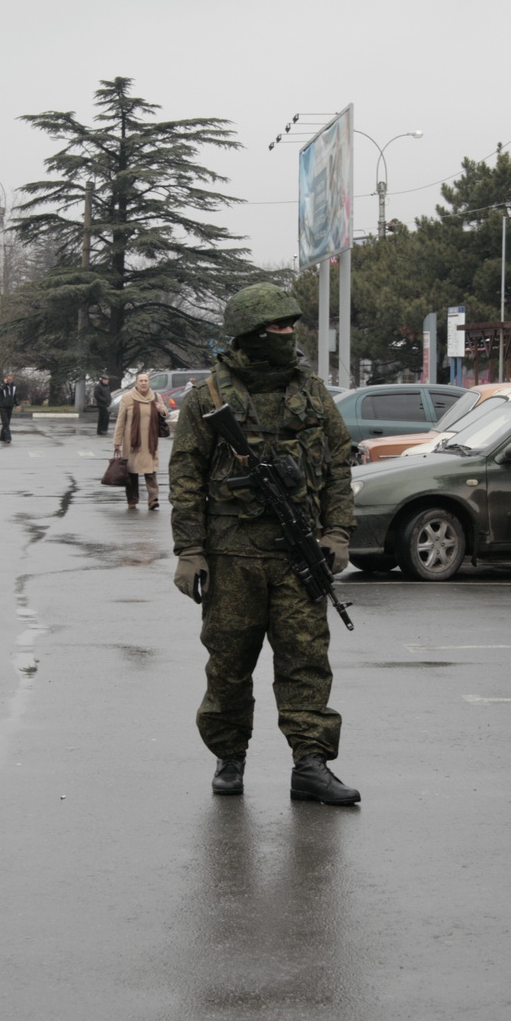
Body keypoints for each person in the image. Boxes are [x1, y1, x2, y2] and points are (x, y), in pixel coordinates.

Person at [168, 282, 360, 805]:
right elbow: (185, 477)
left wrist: (337, 531)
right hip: (232, 557)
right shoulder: (207, 398)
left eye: (290, 326)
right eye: (279, 328)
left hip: (298, 556)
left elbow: (339, 465)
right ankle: (230, 759)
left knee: (306, 661)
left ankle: (310, 763)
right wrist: (190, 550)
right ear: (253, 334)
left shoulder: (313, 392)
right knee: (228, 664)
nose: (289, 335)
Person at [113, 372, 168, 510]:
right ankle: (132, 500)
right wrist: (117, 441)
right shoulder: (127, 398)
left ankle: (153, 499)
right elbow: (120, 420)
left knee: (151, 471)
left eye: (146, 380)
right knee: (131, 472)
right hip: (131, 442)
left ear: (149, 382)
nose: (143, 383)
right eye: (141, 380)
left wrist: (161, 409)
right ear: (136, 383)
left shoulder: (155, 397)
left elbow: (166, 413)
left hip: (150, 441)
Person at [0, 373, 20, 443]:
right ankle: (8, 438)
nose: (10, 381)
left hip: (10, 406)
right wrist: (4, 384)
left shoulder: (13, 386)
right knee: (5, 422)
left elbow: (14, 396)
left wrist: (17, 404)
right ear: (6, 379)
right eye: (9, 379)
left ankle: (2, 437)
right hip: (2, 406)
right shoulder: (1, 384)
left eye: (11, 380)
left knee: (7, 423)